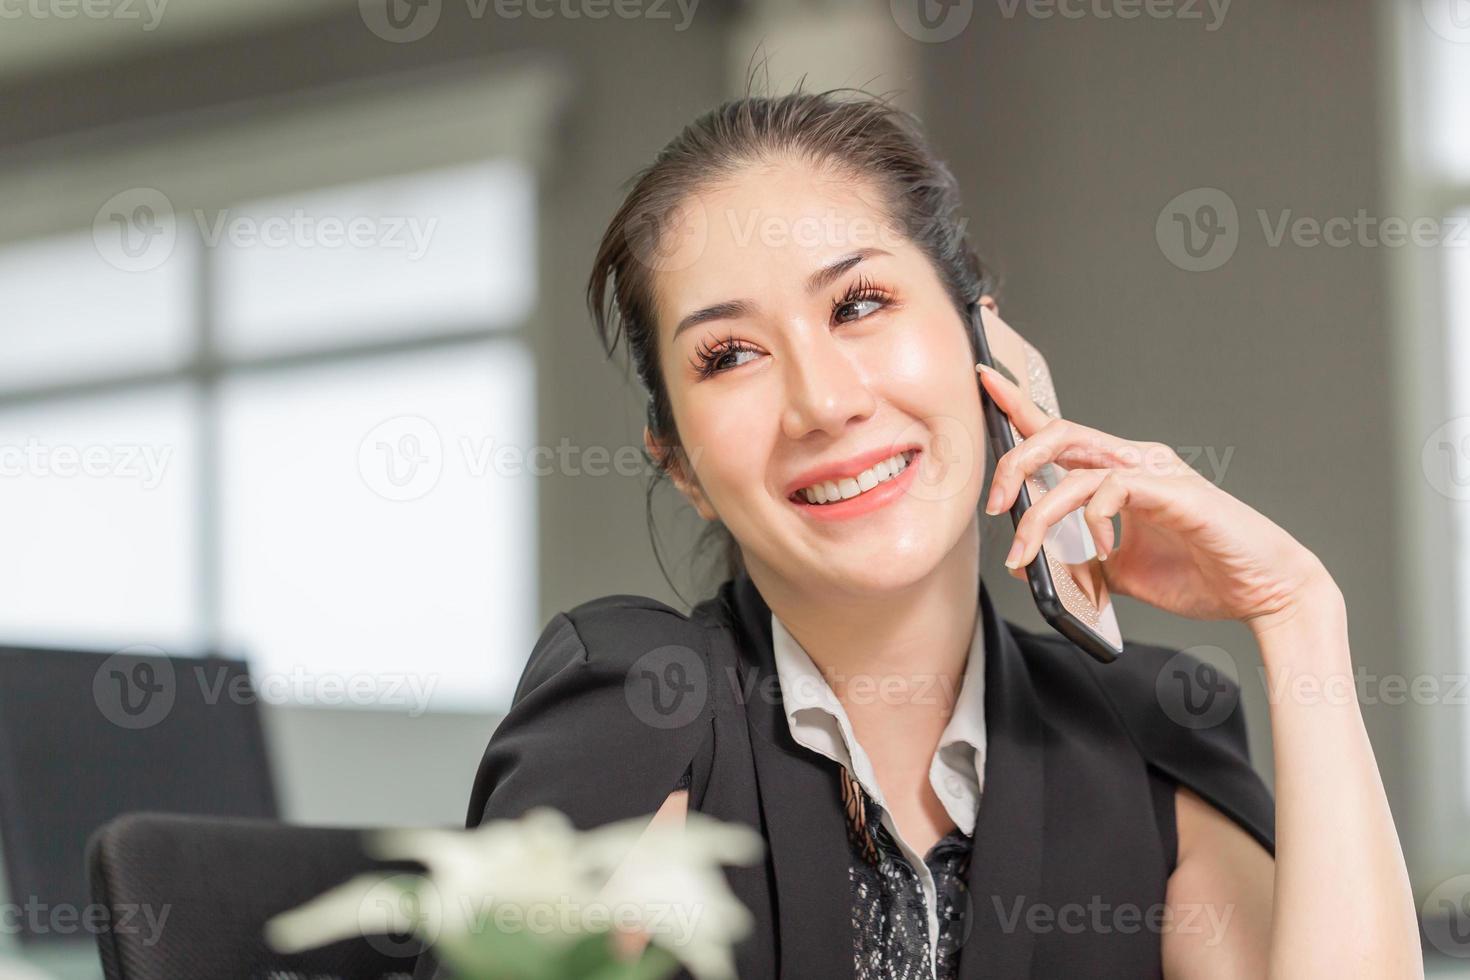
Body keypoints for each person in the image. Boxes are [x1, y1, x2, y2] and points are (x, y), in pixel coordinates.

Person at [413, 88, 1421, 979]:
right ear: (683, 468)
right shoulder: (638, 700)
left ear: (990, 351)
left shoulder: (1146, 730)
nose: (821, 401)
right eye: (729, 355)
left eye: (859, 303)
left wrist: (1298, 611)